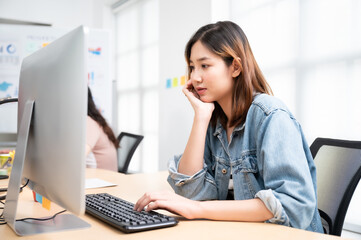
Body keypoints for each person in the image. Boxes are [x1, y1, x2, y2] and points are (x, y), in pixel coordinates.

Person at [134, 21, 323, 233]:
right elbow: (191, 193)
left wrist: (198, 209)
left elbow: (294, 205)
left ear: (235, 67)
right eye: (192, 67)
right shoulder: (215, 120)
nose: (195, 77)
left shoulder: (270, 116)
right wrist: (201, 116)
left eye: (204, 66)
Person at [86, 87, 119, 172]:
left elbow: (79, 157)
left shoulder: (89, 122)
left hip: (101, 180)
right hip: (102, 177)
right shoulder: (94, 119)